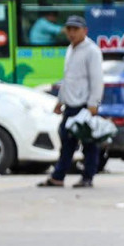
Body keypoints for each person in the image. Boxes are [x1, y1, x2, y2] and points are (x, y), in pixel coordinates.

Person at [39, 16, 104, 188]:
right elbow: (68, 79)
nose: (72, 33)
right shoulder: (70, 49)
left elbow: (97, 80)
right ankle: (58, 177)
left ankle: (87, 177)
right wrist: (60, 101)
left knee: (89, 144)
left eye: (76, 29)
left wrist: (94, 105)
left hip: (84, 105)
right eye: (69, 29)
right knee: (66, 142)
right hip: (70, 105)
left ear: (85, 31)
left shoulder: (92, 51)